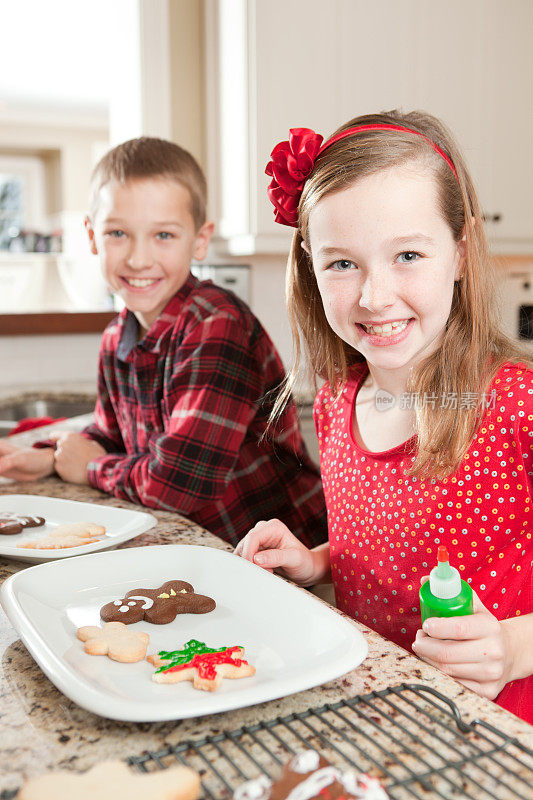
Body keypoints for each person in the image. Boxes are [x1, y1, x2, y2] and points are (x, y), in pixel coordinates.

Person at [235, 111, 533, 722]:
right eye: (342, 263)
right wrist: (314, 561)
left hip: (494, 729)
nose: (374, 296)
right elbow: (379, 548)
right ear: (311, 269)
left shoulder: (516, 405)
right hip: (375, 712)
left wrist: (511, 647)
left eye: (406, 254)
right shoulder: (337, 402)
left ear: (460, 251)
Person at [0, 137, 327, 548]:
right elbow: (112, 434)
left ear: (200, 239)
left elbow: (178, 485)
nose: (138, 259)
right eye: (118, 233)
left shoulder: (217, 324)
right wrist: (51, 456)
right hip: (201, 546)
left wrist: (90, 468)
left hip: (284, 555)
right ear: (91, 236)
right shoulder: (117, 338)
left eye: (164, 236)